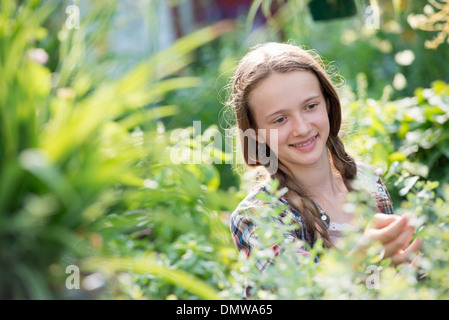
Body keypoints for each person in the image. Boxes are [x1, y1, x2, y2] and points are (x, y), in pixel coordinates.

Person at [227, 42, 423, 281]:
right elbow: (299, 292)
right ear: (255, 133)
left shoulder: (367, 182)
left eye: (310, 106)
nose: (302, 128)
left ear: (328, 104)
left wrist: (404, 272)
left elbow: (378, 285)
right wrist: (359, 260)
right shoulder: (257, 216)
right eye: (280, 119)